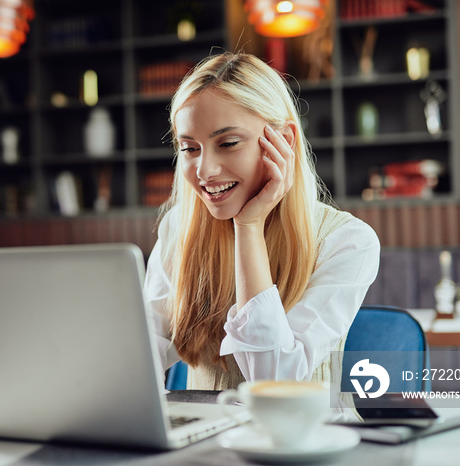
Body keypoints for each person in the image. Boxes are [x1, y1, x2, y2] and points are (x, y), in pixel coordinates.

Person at [142, 52, 380, 420]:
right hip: (207, 449)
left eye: (228, 143)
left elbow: (276, 384)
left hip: (309, 446)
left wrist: (248, 227)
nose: (204, 170)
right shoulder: (180, 228)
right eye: (190, 148)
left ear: (282, 140)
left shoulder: (347, 242)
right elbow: (142, 351)